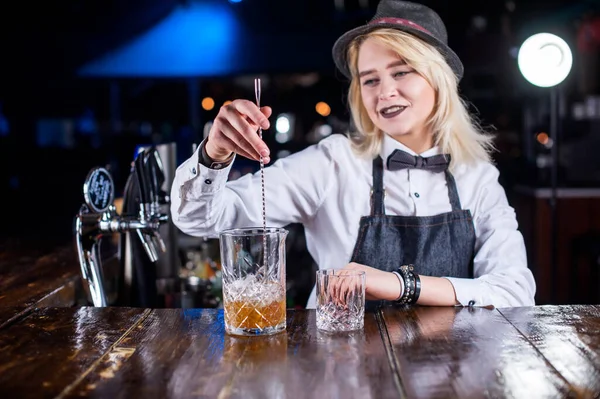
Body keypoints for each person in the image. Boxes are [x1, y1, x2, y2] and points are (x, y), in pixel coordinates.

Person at [170, 0, 536, 309]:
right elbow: (202, 220)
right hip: (341, 372)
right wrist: (214, 155)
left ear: (437, 79)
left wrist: (399, 284)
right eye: (370, 79)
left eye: (401, 72)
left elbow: (516, 291)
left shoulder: (477, 175)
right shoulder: (333, 164)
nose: (384, 92)